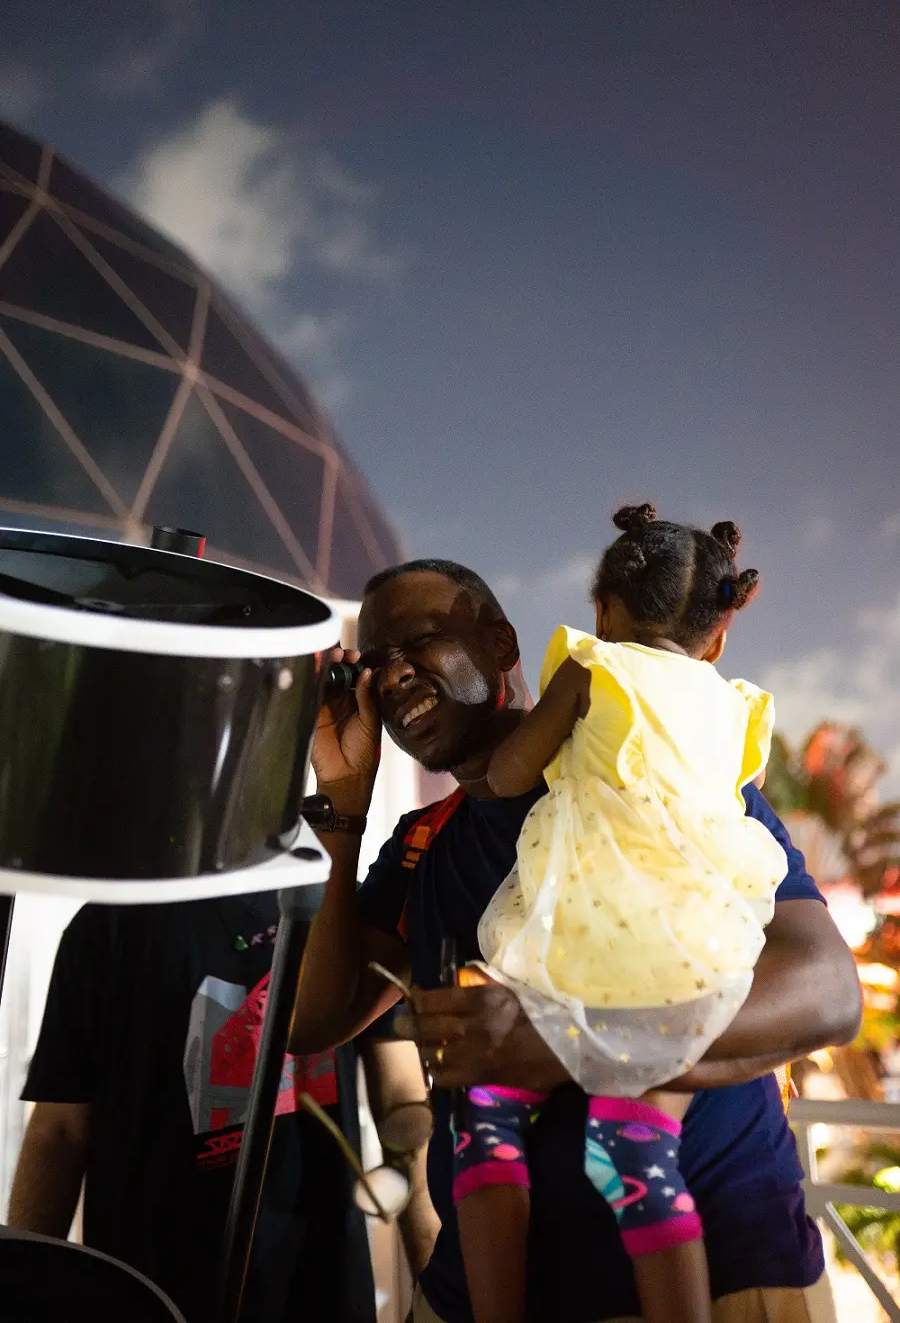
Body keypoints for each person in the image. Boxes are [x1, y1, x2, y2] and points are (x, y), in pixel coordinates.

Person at [288, 556, 861, 1323]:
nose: (391, 679)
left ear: (501, 644)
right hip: (480, 1292)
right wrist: (341, 812)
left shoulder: (653, 764)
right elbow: (313, 1021)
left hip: (715, 1279)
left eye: (420, 643)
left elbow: (826, 994)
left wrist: (563, 1038)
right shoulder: (424, 844)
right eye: (375, 664)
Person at [454, 505, 787, 1323]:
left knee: (485, 1114)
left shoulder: (595, 666)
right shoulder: (740, 706)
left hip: (582, 942)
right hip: (696, 955)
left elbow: (511, 772)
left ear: (602, 609)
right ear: (717, 636)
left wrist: (494, 766)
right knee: (634, 1149)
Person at [7, 888, 438, 1323]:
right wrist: (21, 1292)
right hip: (156, 1287)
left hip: (321, 1281)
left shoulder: (347, 910)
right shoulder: (110, 923)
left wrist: (439, 1285)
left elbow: (402, 1105)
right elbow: (59, 1132)